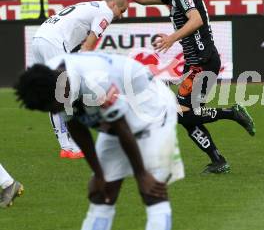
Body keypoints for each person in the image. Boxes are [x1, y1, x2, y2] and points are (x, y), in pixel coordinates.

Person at [108, 0, 256, 174]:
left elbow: (196, 20)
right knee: (187, 117)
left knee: (182, 114)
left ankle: (231, 113)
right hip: (195, 63)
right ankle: (217, 160)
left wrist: (171, 38)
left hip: (203, 62)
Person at [15, 52, 184, 230]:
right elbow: (76, 127)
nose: (55, 111)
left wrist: (141, 173)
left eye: (53, 107)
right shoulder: (49, 79)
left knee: (152, 191)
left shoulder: (95, 80)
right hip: (113, 120)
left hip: (152, 113)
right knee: (102, 193)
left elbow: (122, 127)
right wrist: (98, 174)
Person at [30, 0, 128, 159]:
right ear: (113, 4)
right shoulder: (105, 12)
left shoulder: (91, 6)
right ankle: (68, 146)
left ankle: (67, 144)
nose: (121, 15)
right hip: (54, 41)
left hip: (39, 39)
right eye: (122, 10)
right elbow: (88, 47)